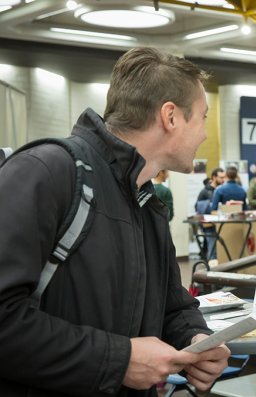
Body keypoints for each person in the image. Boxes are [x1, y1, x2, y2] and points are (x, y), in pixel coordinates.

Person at [0, 48, 230, 396]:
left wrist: (196, 339)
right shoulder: (46, 172)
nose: (204, 134)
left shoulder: (146, 201)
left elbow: (172, 302)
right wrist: (118, 360)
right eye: (202, 117)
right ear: (170, 116)